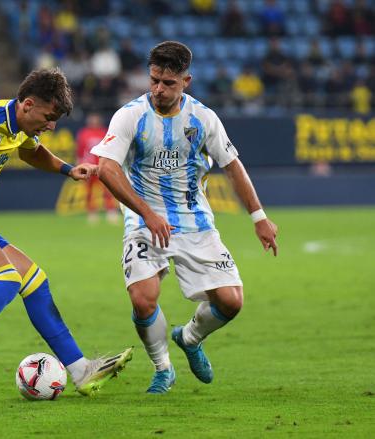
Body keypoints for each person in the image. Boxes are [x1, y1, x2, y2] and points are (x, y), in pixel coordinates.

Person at [0, 68, 133, 404]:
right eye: (48, 117)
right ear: (27, 104)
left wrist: (67, 169)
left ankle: (80, 370)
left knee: (34, 280)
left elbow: (30, 151)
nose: (51, 126)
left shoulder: (19, 126)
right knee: (6, 279)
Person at [91, 41, 278, 394]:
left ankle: (190, 338)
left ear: (186, 81)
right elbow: (107, 168)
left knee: (231, 301)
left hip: (193, 217)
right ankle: (163, 368)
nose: (159, 89)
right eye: (154, 81)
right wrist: (146, 214)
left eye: (168, 83)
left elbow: (233, 166)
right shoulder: (130, 115)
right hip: (143, 217)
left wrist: (259, 217)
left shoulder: (203, 119)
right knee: (143, 297)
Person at [75, 112, 118, 223]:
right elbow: (80, 150)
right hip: (88, 166)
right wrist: (79, 162)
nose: (93, 121)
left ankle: (111, 211)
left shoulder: (104, 132)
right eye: (91, 119)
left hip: (101, 165)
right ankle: (91, 212)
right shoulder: (83, 133)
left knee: (108, 189)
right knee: (89, 190)